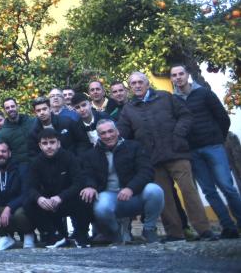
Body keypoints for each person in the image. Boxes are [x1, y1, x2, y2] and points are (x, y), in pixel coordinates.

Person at [118, 71, 216, 241]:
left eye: (140, 82)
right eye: (133, 83)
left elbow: (185, 115)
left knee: (189, 191)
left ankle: (204, 230)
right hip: (152, 159)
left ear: (147, 83)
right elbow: (123, 133)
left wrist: (178, 135)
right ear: (130, 87)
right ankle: (174, 233)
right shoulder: (128, 109)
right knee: (164, 198)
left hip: (176, 152)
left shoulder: (165, 97)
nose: (137, 85)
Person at [171, 64, 241, 239]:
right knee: (209, 191)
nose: (178, 77)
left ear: (187, 75)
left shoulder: (204, 93)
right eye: (174, 75)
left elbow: (223, 118)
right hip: (193, 152)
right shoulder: (173, 101)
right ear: (171, 78)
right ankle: (228, 226)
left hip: (213, 147)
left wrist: (217, 138)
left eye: (181, 74)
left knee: (227, 187)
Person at [79, 119, 163, 244]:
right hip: (110, 197)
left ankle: (149, 229)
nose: (107, 136)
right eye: (103, 133)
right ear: (99, 135)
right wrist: (90, 186)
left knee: (155, 190)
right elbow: (87, 175)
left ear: (117, 131)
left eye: (110, 131)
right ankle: (115, 233)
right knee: (101, 207)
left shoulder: (134, 147)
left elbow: (146, 171)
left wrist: (131, 188)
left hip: (135, 195)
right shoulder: (90, 155)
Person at [24, 128, 90, 248]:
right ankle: (54, 235)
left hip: (68, 199)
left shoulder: (70, 158)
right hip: (49, 203)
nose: (49, 146)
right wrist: (39, 198)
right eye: (45, 143)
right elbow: (30, 187)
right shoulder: (36, 163)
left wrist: (61, 197)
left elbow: (78, 182)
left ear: (58, 143)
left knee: (84, 196)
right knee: (29, 203)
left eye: (52, 142)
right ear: (40, 146)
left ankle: (82, 236)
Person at [27, 97, 91, 163]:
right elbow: (33, 155)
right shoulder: (33, 132)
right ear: (35, 113)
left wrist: (77, 159)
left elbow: (82, 141)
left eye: (44, 109)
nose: (42, 112)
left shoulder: (67, 122)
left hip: (73, 162)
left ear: (50, 108)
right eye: (38, 110)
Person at [0, 98, 36, 166]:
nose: (10, 109)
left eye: (12, 106)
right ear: (4, 111)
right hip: (20, 168)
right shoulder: (2, 133)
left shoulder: (31, 121)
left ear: (17, 106)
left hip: (38, 162)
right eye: (7, 108)